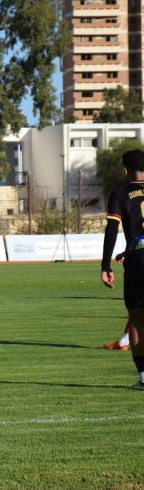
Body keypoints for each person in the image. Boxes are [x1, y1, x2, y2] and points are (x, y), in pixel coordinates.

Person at [100, 148, 144, 390]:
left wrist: (106, 265)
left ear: (126, 170)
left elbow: (111, 229)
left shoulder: (120, 192)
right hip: (135, 254)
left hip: (138, 262)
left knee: (137, 320)